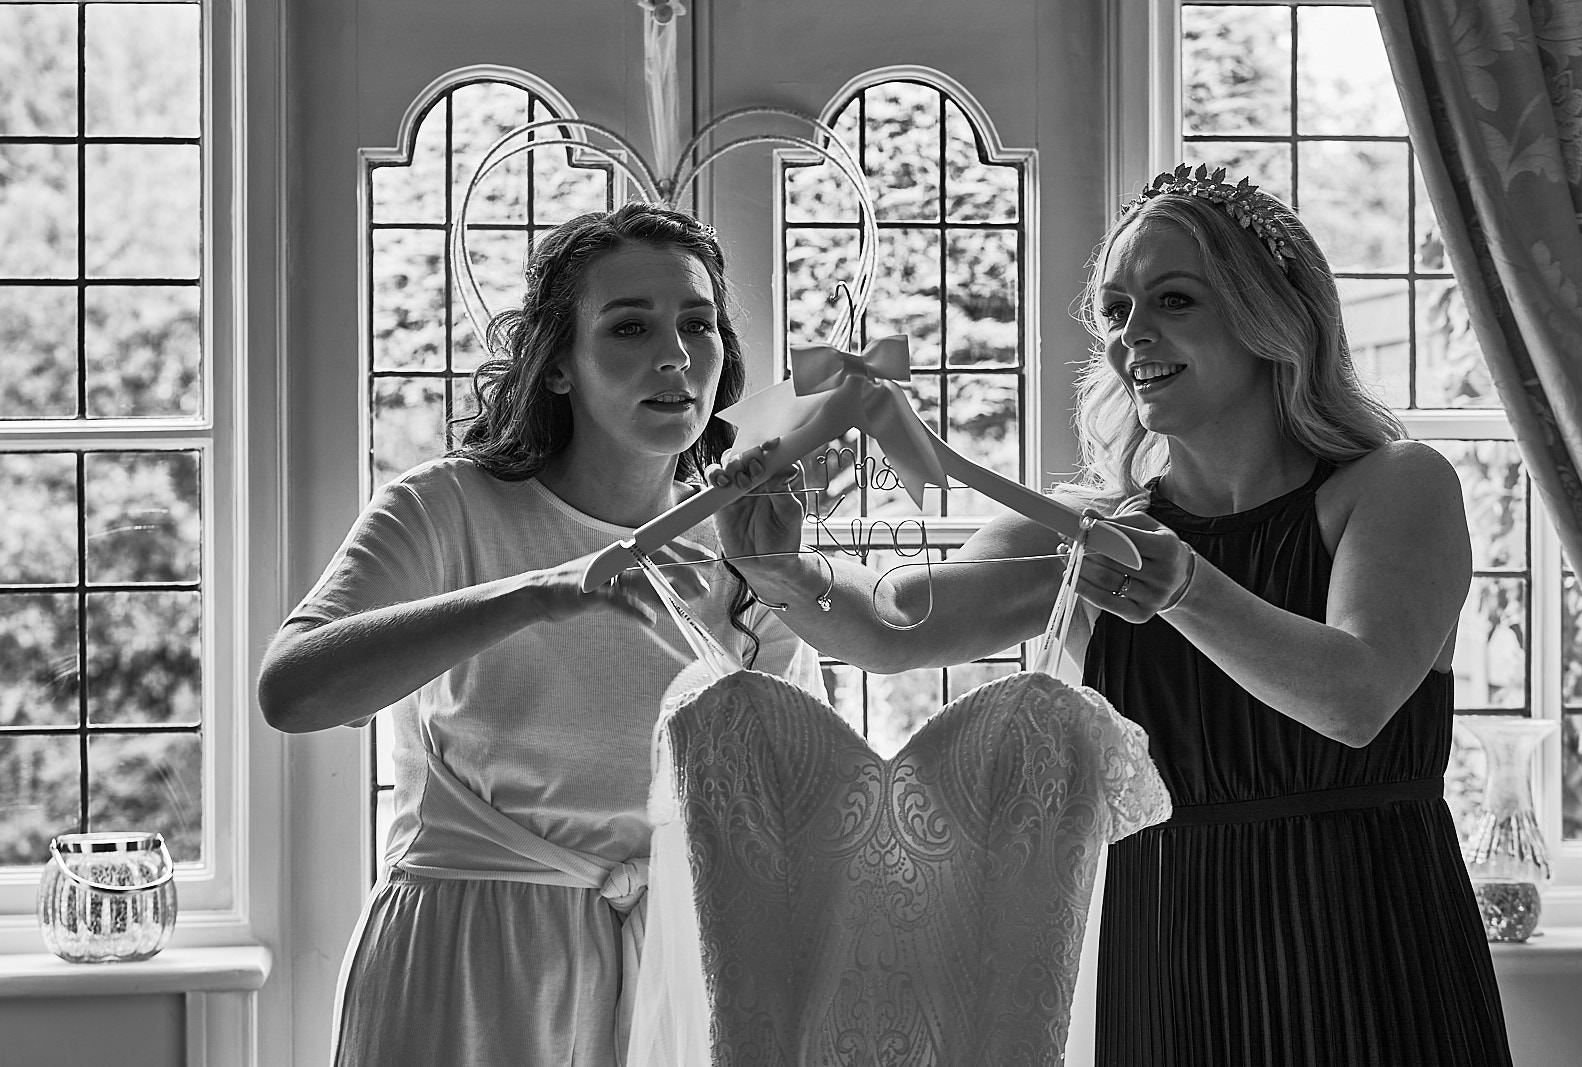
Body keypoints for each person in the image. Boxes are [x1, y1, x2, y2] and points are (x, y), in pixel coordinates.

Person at [712, 165, 1513, 1065]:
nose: (1135, 335)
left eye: (1174, 299)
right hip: (1170, 951)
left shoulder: (1399, 485)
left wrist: (1188, 589)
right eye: (1118, 309)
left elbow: (1354, 700)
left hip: (1370, 943)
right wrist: (776, 561)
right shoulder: (1092, 531)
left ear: (1271, 320)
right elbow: (892, 626)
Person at [256, 201, 816, 1067]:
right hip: (467, 959)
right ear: (557, 364)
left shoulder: (742, 537)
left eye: (697, 323)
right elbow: (291, 689)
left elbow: (795, 797)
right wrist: (536, 592)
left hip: (675, 965)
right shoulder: (445, 507)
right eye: (630, 326)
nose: (675, 354)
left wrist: (785, 579)